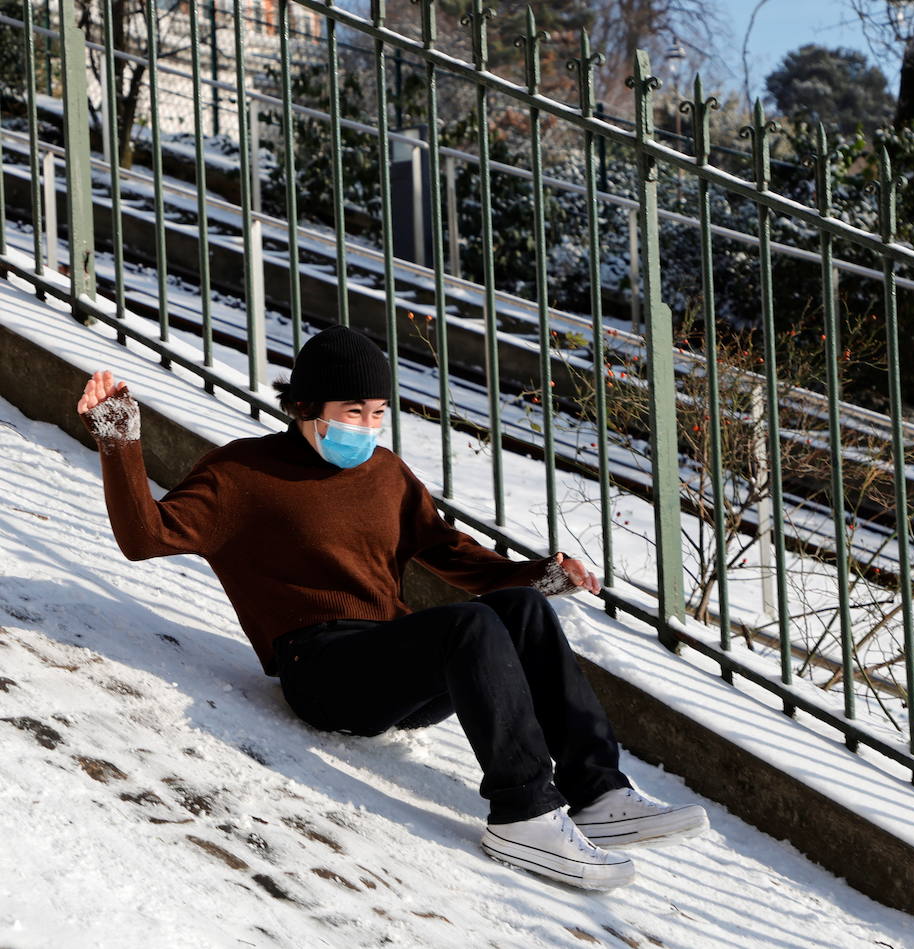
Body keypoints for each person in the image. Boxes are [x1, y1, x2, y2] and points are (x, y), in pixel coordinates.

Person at [76, 325, 707, 890]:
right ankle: (524, 814)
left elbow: (450, 553)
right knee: (469, 624)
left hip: (395, 665)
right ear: (305, 408)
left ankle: (597, 791)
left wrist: (542, 577)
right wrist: (119, 438)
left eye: (378, 412)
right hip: (322, 671)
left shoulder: (386, 474)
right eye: (352, 411)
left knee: (517, 608)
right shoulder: (243, 474)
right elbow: (145, 537)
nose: (367, 427)